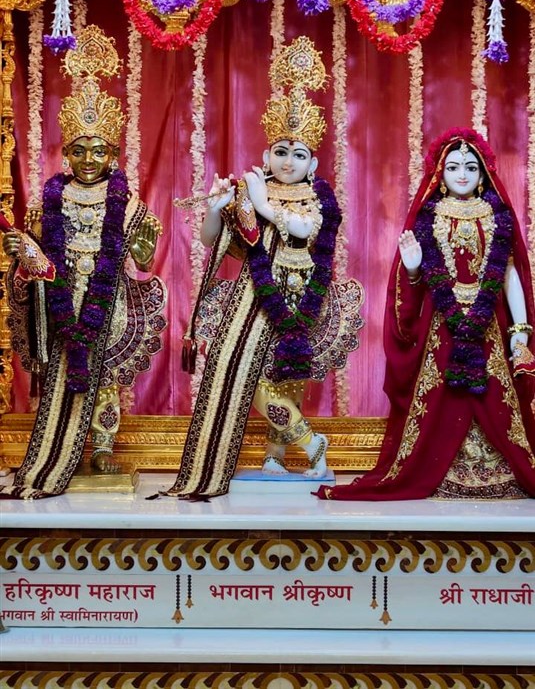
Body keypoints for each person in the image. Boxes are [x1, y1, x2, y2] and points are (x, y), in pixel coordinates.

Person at [167, 36, 364, 499]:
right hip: (252, 298)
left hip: (299, 295)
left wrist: (260, 204)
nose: (287, 161)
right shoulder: (250, 189)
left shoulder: (319, 197)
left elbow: (304, 230)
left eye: (299, 154)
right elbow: (215, 242)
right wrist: (217, 208)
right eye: (280, 150)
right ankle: (309, 443)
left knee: (286, 376)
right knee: (240, 371)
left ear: (313, 163)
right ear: (266, 155)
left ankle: (278, 454)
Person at [317, 127, 535, 501]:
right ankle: (442, 469)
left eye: (471, 167)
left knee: (496, 395)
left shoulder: (496, 216)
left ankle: (498, 468)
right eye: (453, 167)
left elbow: (508, 273)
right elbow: (414, 282)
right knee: (440, 398)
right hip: (443, 324)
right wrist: (415, 268)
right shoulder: (429, 217)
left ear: (484, 173)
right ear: (440, 173)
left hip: (488, 324)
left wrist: (520, 330)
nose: (462, 174)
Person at [2, 28, 167, 499]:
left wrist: (144, 242)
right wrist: (22, 255)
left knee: (105, 376)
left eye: (99, 151)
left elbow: (143, 261)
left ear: (113, 155)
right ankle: (61, 444)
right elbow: (31, 264)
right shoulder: (46, 203)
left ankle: (101, 446)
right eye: (79, 150)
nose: (89, 159)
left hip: (108, 299)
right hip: (60, 298)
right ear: (66, 153)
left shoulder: (127, 203)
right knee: (60, 371)